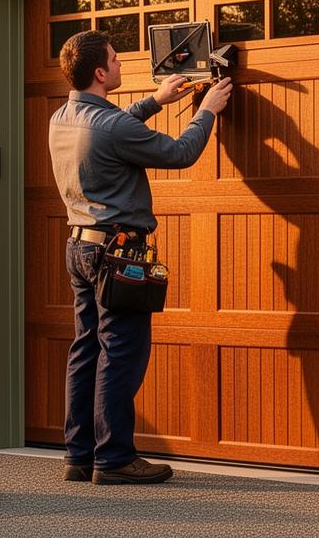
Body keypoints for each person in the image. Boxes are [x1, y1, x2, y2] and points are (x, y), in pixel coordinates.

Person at [51, 29, 233, 485]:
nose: (119, 65)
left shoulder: (61, 117)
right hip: (117, 253)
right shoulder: (110, 126)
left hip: (79, 245)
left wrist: (155, 100)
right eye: (114, 60)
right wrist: (207, 111)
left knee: (86, 349)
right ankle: (114, 459)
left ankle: (79, 455)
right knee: (121, 353)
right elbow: (180, 152)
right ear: (99, 72)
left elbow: (112, 126)